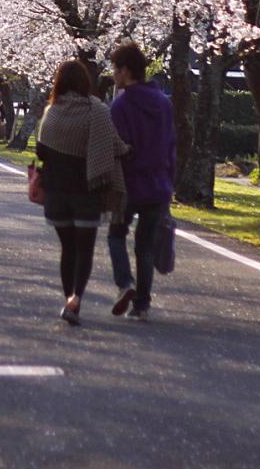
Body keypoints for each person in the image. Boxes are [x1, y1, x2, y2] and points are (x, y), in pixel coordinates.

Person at [36, 59, 127, 325]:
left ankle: (69, 299)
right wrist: (127, 150)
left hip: (56, 193)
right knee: (84, 249)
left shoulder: (52, 111)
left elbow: (41, 151)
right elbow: (112, 145)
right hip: (87, 191)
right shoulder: (96, 111)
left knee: (68, 248)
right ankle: (76, 299)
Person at [106, 45, 176, 320]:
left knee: (115, 234)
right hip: (158, 184)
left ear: (125, 71)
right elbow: (172, 145)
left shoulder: (121, 105)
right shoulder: (163, 103)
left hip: (128, 184)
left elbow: (117, 146)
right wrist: (170, 182)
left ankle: (125, 283)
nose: (113, 75)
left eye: (115, 70)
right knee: (145, 245)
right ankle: (142, 306)